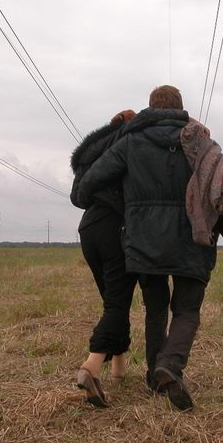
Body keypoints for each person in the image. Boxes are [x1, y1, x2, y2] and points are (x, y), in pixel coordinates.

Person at [77, 85, 223, 411]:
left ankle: (157, 378)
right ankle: (169, 365)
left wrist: (122, 206)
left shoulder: (130, 142)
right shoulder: (202, 143)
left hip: (145, 244)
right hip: (194, 242)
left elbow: (87, 186)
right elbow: (220, 198)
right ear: (180, 108)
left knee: (155, 309)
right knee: (187, 311)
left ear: (151, 108)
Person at [70, 109, 138, 408]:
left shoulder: (91, 153)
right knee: (117, 302)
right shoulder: (129, 146)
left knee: (113, 299)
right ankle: (91, 365)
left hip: (89, 228)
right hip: (116, 229)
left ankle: (119, 367)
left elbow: (78, 197)